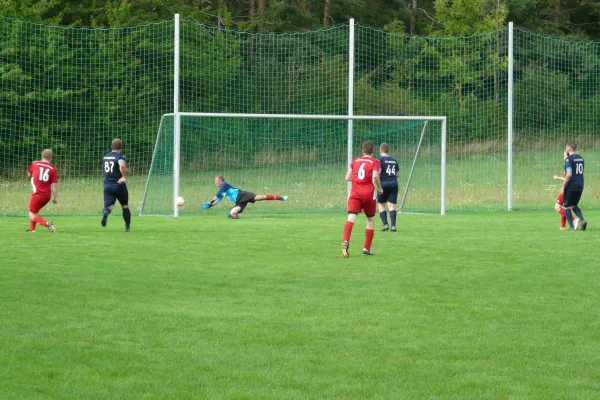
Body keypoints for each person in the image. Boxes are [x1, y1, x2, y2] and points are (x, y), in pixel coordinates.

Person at [342, 140, 383, 257]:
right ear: (372, 151)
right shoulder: (375, 162)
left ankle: (345, 241)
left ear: (362, 151)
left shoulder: (355, 161)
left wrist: (357, 180)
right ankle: (367, 248)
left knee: (351, 218)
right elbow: (375, 176)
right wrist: (379, 188)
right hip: (369, 195)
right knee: (370, 220)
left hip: (355, 194)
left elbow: (347, 178)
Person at [203, 176, 287, 218]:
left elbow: (217, 195)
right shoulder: (222, 190)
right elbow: (218, 200)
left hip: (241, 194)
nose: (215, 182)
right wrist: (210, 205)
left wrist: (210, 202)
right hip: (238, 200)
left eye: (216, 181)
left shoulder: (224, 185)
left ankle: (280, 198)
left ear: (221, 180)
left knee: (260, 197)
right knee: (232, 212)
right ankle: (235, 215)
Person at [101, 138, 131, 232]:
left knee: (108, 206)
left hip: (107, 186)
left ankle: (106, 213)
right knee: (125, 206)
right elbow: (121, 165)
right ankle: (127, 227)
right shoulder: (120, 156)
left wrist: (125, 170)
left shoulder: (105, 157)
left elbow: (114, 168)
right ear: (120, 148)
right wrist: (124, 176)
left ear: (111, 147)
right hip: (119, 185)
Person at [27, 149, 58, 232]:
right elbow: (54, 185)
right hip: (47, 196)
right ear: (51, 157)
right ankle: (32, 229)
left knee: (31, 214)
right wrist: (55, 198)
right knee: (34, 211)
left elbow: (29, 174)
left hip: (38, 193)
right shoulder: (53, 169)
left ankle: (47, 224)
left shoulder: (35, 163)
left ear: (42, 155)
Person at [561, 142, 587, 231]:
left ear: (568, 149)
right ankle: (582, 219)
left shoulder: (569, 159)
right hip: (580, 184)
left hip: (571, 185)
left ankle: (572, 227)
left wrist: (563, 186)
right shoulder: (581, 159)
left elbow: (569, 174)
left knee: (566, 206)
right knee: (574, 205)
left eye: (566, 149)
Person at [377, 143, 400, 232]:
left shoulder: (380, 160)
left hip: (383, 184)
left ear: (381, 150)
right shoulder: (394, 160)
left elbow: (378, 172)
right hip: (394, 184)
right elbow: (398, 174)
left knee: (381, 204)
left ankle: (385, 224)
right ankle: (393, 226)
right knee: (391, 205)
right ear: (388, 150)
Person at [553, 150, 578, 230]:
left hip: (567, 190)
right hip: (572, 189)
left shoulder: (568, 164)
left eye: (564, 155)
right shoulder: (573, 164)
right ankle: (563, 227)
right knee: (564, 208)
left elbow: (569, 178)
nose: (563, 156)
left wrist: (558, 177)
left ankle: (574, 220)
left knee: (557, 207)